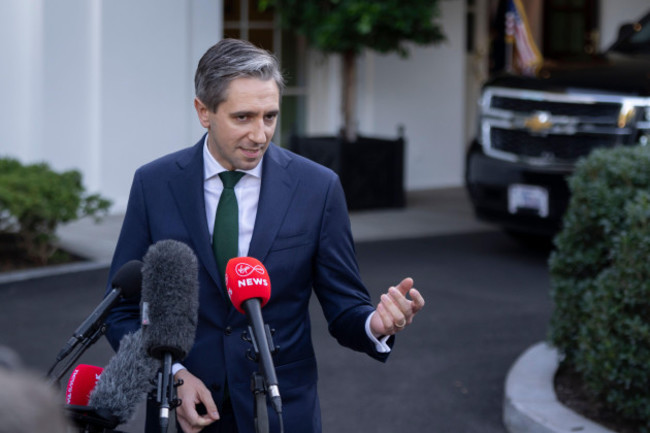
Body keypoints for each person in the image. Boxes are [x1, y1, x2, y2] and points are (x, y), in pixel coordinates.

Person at [104, 38, 424, 433]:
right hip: (186, 416)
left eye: (269, 116)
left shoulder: (317, 188)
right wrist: (174, 376)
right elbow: (120, 312)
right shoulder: (154, 184)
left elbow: (344, 307)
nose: (260, 134)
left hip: (282, 413)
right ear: (204, 111)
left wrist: (377, 324)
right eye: (243, 117)